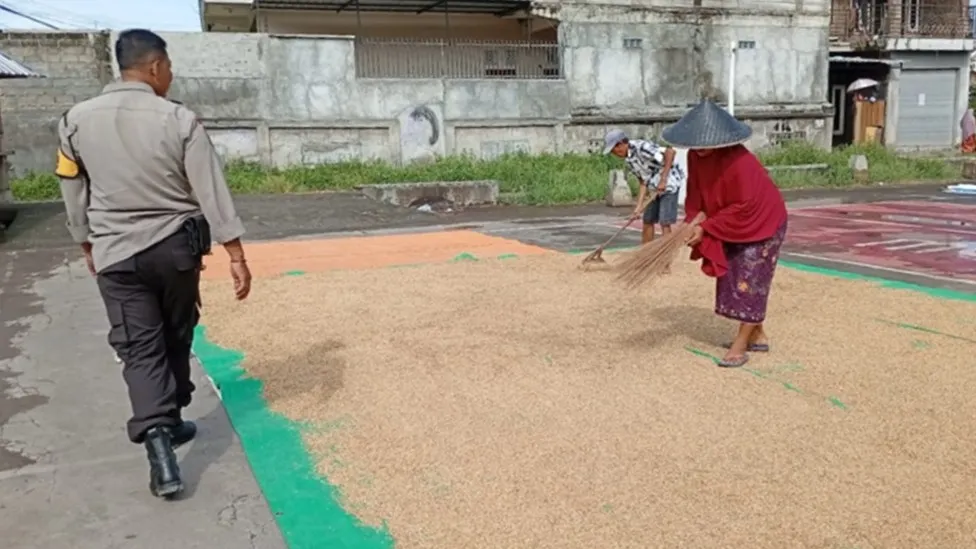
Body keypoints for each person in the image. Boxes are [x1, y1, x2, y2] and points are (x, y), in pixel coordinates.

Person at [54, 29, 252, 498]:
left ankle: (161, 445)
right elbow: (210, 187)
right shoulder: (179, 119)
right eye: (169, 68)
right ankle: (171, 416)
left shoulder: (74, 120)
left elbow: (71, 187)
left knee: (139, 347)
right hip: (175, 250)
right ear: (156, 67)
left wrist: (86, 242)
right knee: (176, 334)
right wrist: (235, 252)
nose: (170, 76)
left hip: (116, 254)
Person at [660, 100, 788, 368]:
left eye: (706, 142)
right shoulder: (695, 157)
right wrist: (691, 223)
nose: (701, 147)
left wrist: (705, 227)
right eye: (697, 142)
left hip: (763, 221)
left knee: (751, 279)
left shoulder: (739, 161)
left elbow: (744, 205)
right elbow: (697, 193)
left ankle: (739, 346)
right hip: (729, 221)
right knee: (734, 276)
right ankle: (758, 334)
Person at [603, 129, 686, 245]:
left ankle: (666, 253)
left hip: (669, 183)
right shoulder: (629, 160)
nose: (614, 154)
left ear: (620, 144)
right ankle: (645, 250)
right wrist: (638, 207)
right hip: (653, 187)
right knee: (647, 220)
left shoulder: (641, 147)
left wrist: (663, 179)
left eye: (614, 150)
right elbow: (643, 182)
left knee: (664, 221)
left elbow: (670, 152)